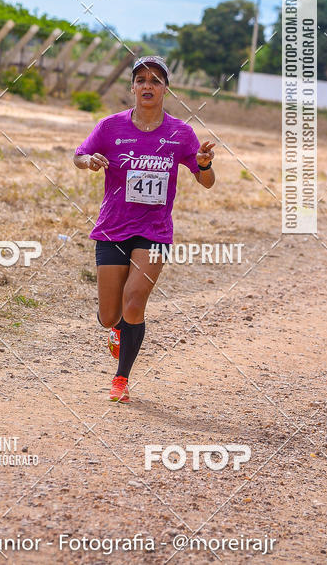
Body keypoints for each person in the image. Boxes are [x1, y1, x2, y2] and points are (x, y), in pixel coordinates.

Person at [73, 55, 216, 403]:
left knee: (134, 303)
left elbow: (207, 182)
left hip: (154, 231)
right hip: (112, 229)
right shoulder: (110, 127)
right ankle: (117, 329)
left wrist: (204, 165)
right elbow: (78, 154)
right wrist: (88, 161)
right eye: (141, 80)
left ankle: (121, 378)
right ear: (133, 88)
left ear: (166, 89)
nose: (147, 86)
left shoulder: (180, 133)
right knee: (111, 316)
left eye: (155, 80)